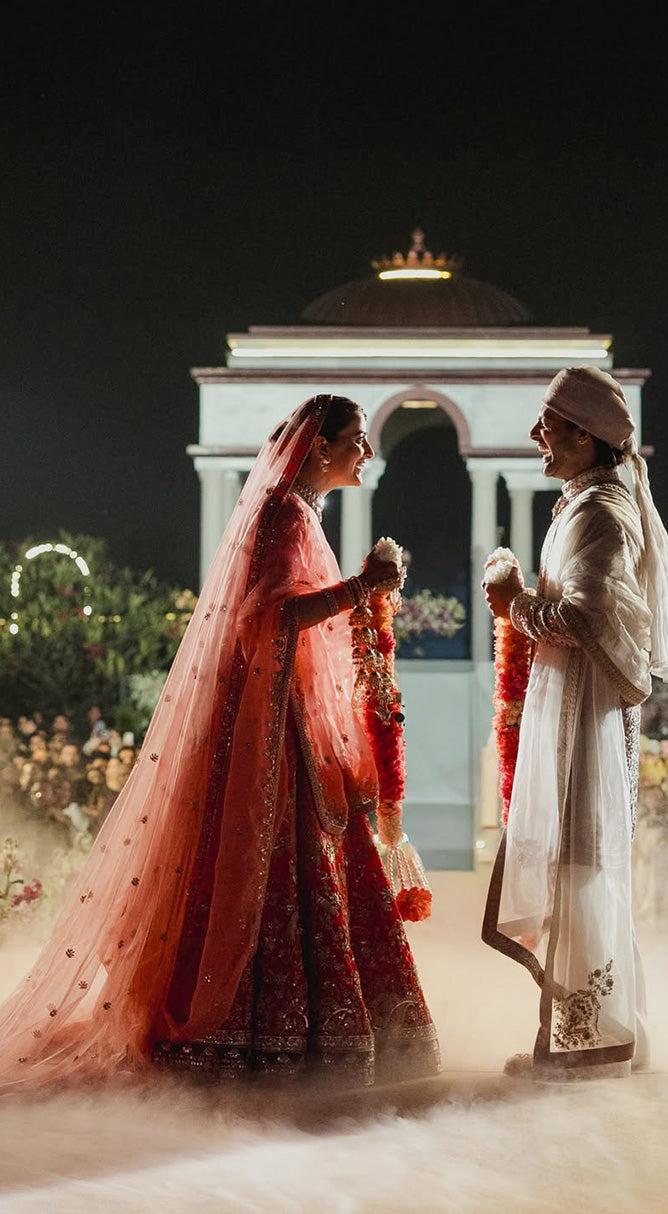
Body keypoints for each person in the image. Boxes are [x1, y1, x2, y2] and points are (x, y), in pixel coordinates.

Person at [0, 395, 439, 1090]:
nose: (368, 452)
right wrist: (362, 588)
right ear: (318, 448)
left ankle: (299, 1033)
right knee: (273, 864)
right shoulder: (283, 515)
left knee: (305, 858)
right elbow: (264, 620)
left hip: (288, 714)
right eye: (357, 439)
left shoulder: (297, 513)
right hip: (272, 725)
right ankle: (263, 1036)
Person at [481, 366, 668, 1077]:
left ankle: (587, 1046)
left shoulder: (601, 511)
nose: (537, 434)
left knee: (583, 870)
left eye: (548, 422)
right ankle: (572, 1039)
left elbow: (592, 618)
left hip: (588, 724)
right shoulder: (584, 501)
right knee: (575, 869)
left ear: (584, 433)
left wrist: (513, 603)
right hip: (576, 713)